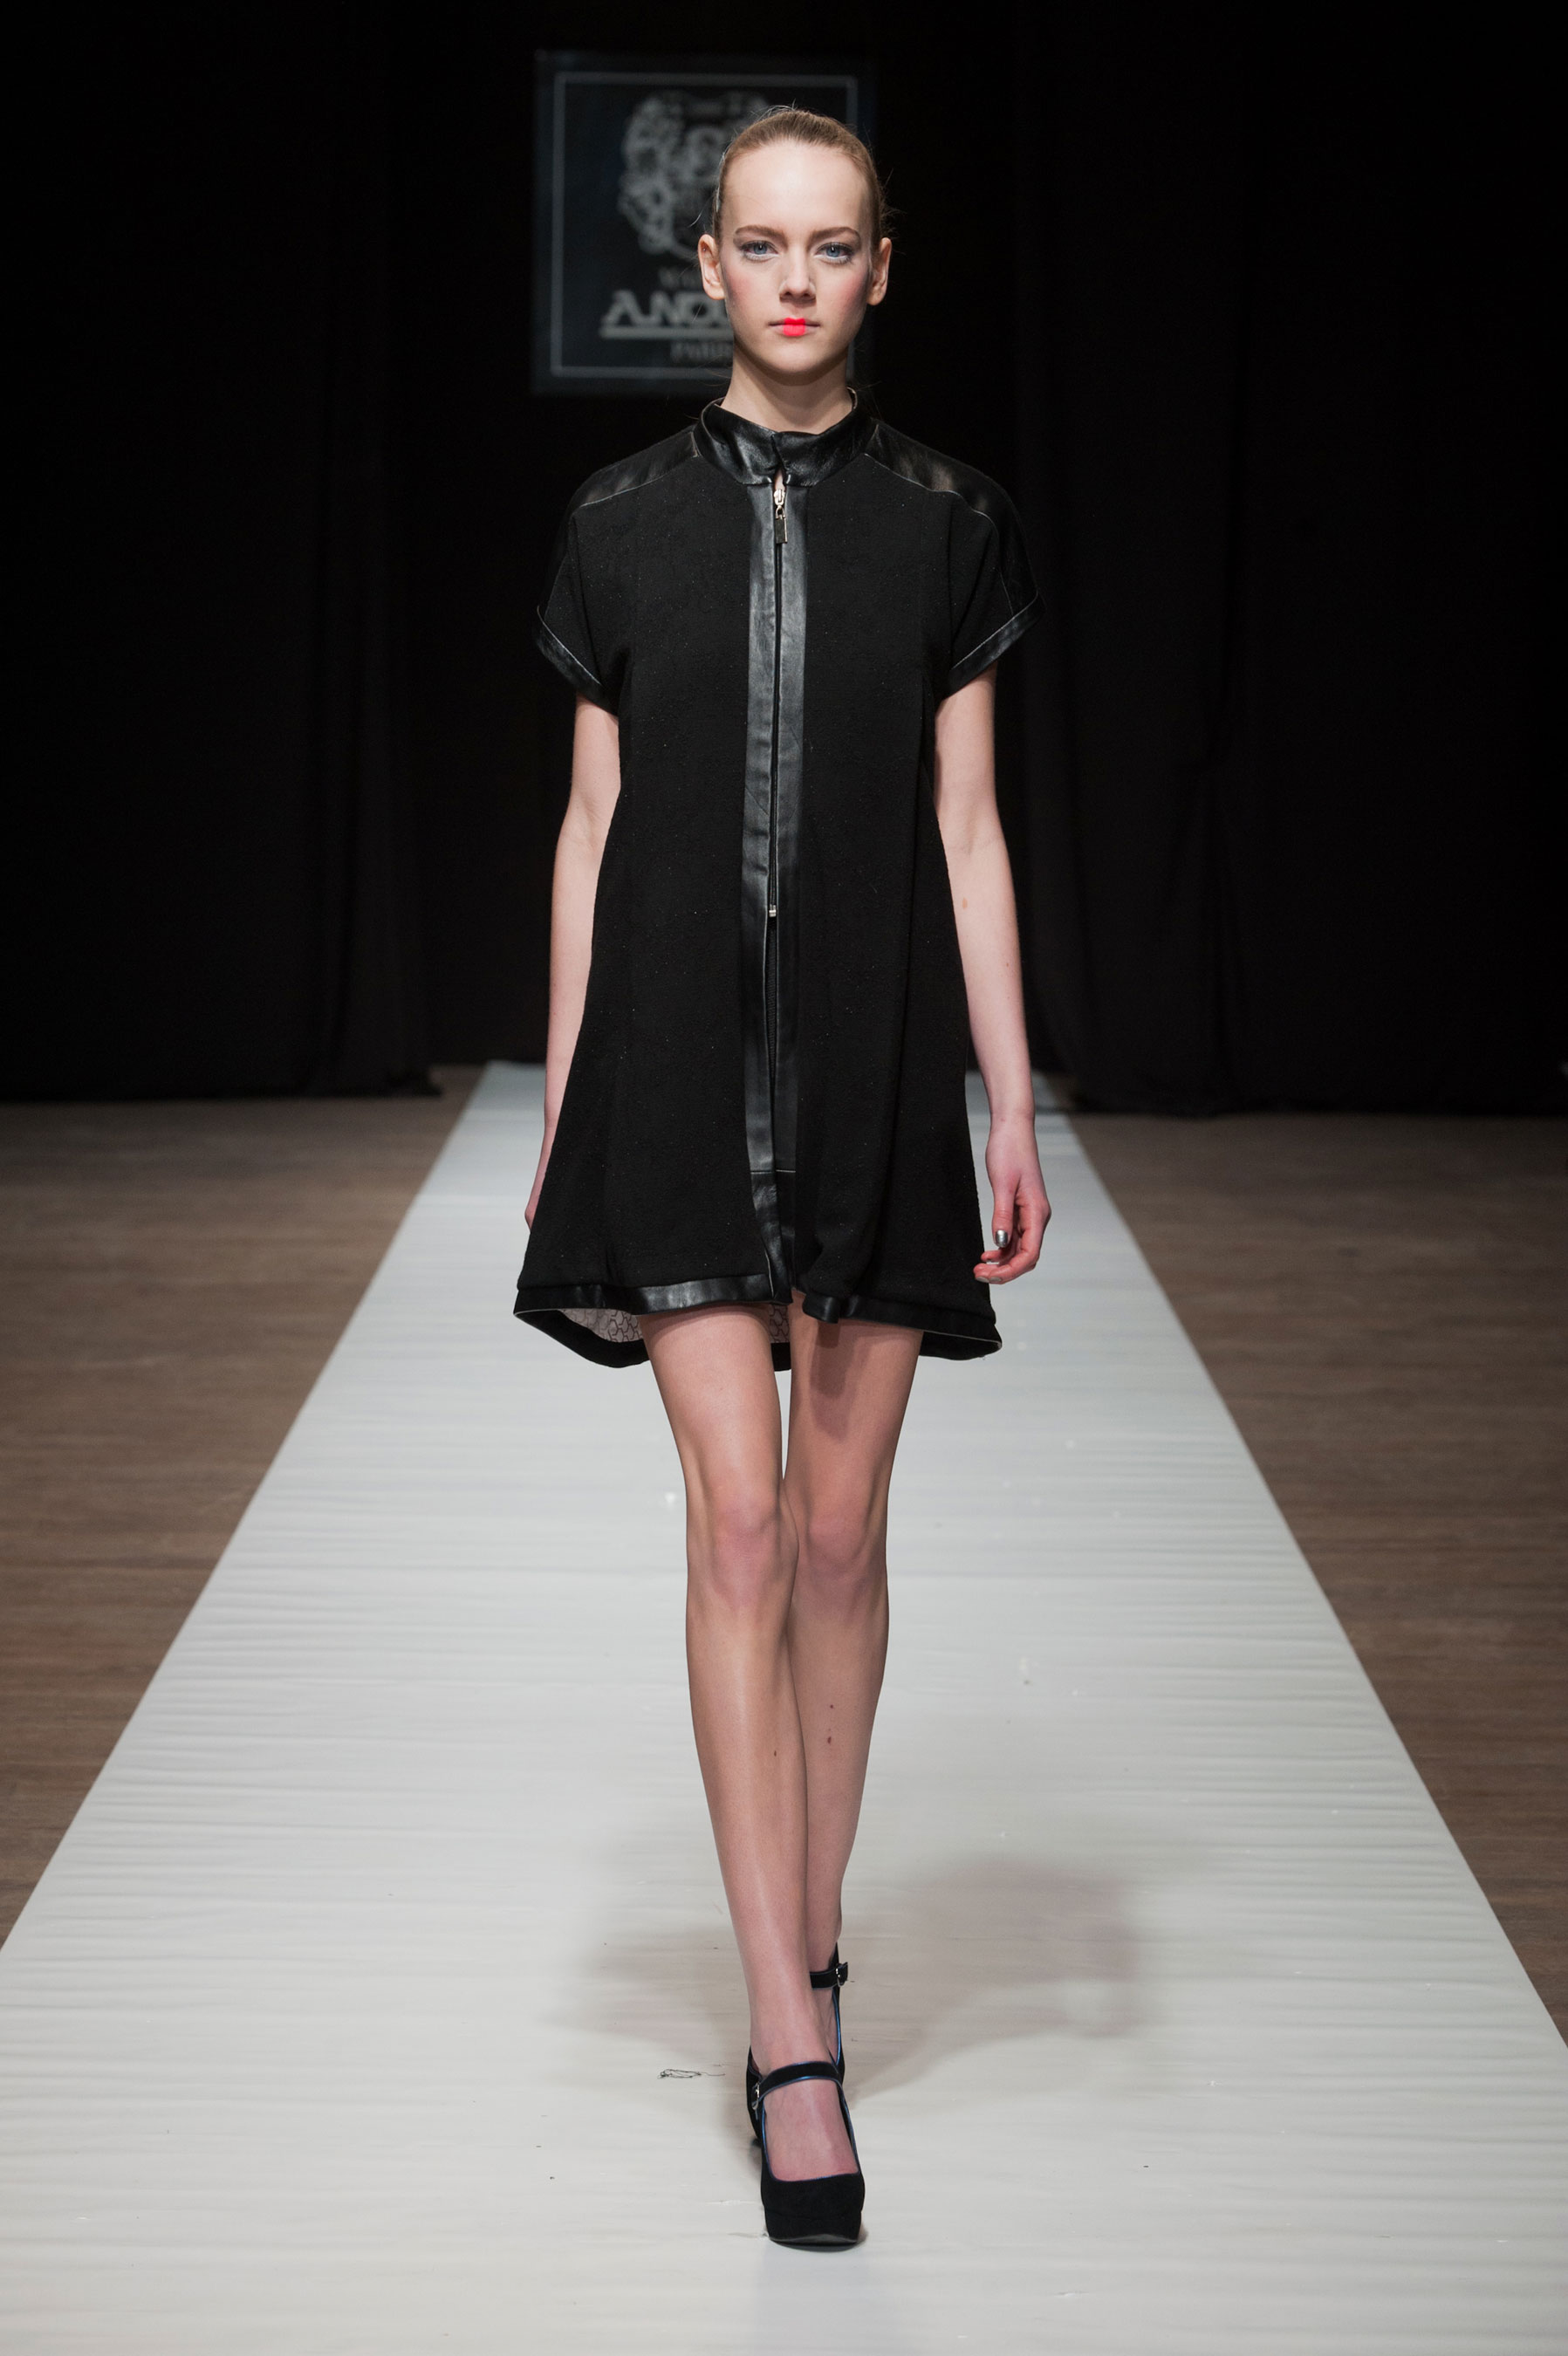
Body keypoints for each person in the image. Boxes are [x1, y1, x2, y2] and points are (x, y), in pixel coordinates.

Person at [516, 106, 1050, 2247]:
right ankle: (785, 2036)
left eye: (834, 245)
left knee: (834, 1535)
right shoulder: (618, 521)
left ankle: (807, 1936)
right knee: (735, 1525)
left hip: (876, 1074)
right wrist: (561, 1104)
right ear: (710, 269)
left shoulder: (947, 523)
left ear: (878, 267)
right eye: (762, 244)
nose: (798, 279)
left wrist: (1009, 1099)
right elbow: (588, 831)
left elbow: (967, 829)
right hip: (665, 1075)